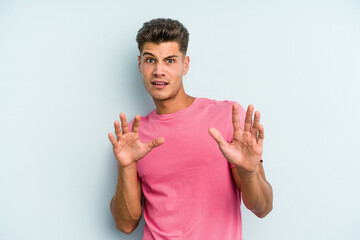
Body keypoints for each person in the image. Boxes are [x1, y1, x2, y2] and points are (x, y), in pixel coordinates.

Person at [108, 18, 273, 239]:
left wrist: (249, 171)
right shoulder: (132, 136)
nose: (159, 70)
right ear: (140, 65)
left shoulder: (226, 117)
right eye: (150, 60)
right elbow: (125, 224)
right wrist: (126, 166)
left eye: (169, 60)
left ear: (185, 65)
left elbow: (263, 208)